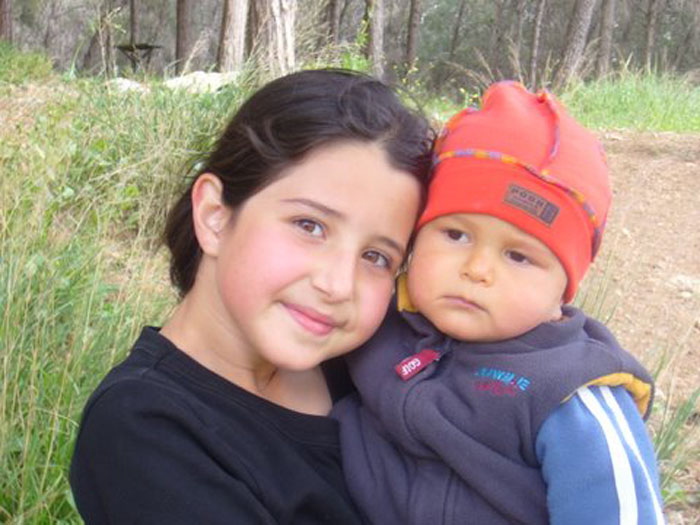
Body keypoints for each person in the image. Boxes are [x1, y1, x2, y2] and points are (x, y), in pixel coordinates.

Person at [69, 69, 433, 524]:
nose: (339, 285)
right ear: (215, 215)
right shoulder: (143, 428)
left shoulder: (372, 369)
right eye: (310, 226)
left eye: (376, 257)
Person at [333, 81, 665, 524]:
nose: (477, 269)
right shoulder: (378, 322)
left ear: (562, 291)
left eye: (518, 256)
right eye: (455, 234)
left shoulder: (569, 393)